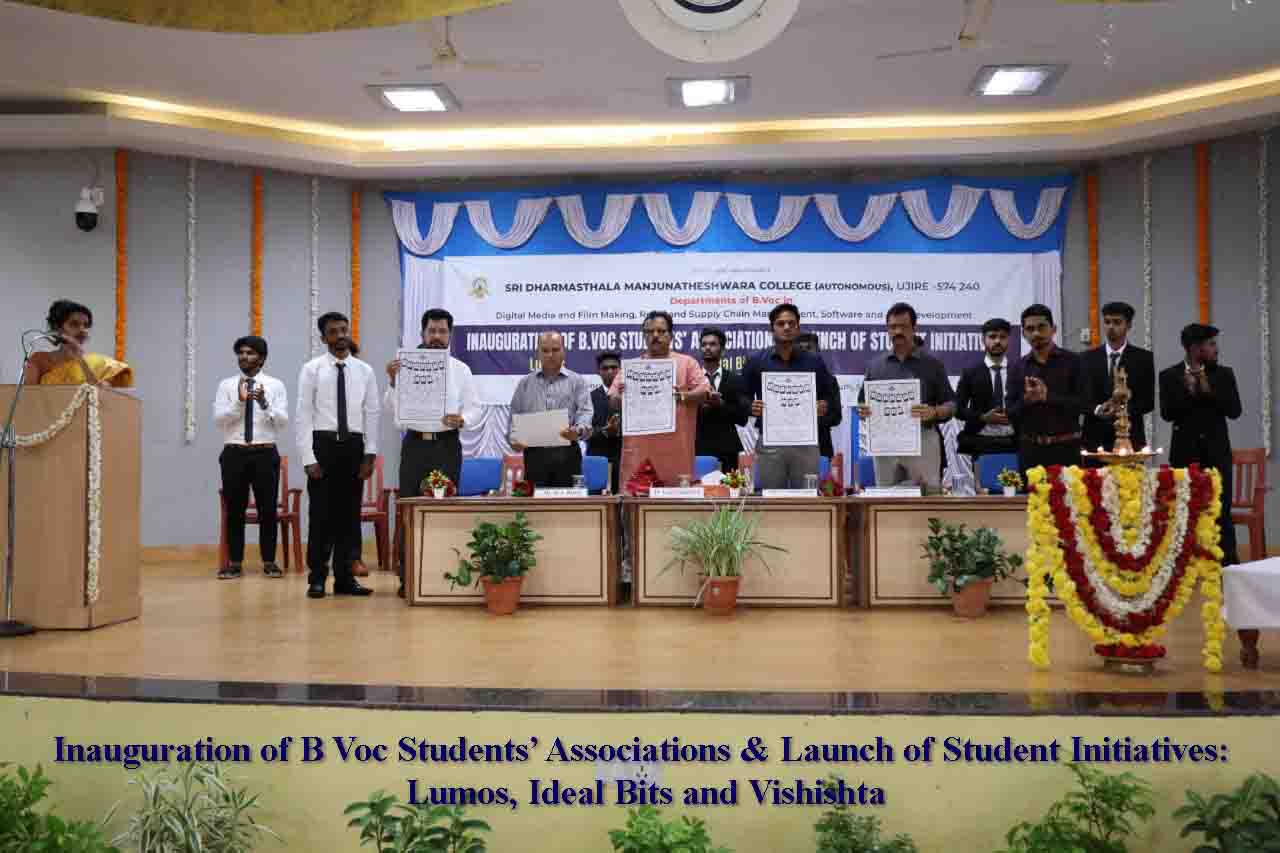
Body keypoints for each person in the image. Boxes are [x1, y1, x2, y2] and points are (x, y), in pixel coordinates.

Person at [386, 308, 482, 597]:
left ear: (450, 335)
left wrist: (463, 419)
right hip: (414, 445)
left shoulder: (461, 370)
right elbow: (393, 412)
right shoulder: (404, 366)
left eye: (442, 331)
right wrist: (392, 381)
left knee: (444, 510)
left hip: (446, 446)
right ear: (422, 334)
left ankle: (443, 574)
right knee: (409, 509)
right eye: (432, 331)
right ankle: (408, 577)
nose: (437, 336)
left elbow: (475, 409)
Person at [296, 312, 379, 600]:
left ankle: (345, 578)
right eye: (333, 331)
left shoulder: (365, 371)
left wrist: (370, 454)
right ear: (324, 338)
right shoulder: (312, 370)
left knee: (349, 516)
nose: (341, 335)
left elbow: (372, 413)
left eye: (344, 330)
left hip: (354, 448)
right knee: (321, 516)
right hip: (323, 446)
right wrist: (308, 457)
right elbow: (304, 414)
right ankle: (317, 578)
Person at [1160, 323, 1241, 567]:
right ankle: (1185, 568)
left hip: (1217, 454)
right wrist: (1188, 390)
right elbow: (1167, 414)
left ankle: (1229, 567)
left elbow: (1234, 411)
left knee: (1221, 512)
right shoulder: (1169, 375)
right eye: (1211, 344)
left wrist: (1208, 390)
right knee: (1185, 513)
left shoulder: (1224, 374)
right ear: (1195, 348)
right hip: (1185, 455)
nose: (1216, 349)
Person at [856, 303, 954, 492]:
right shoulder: (875, 366)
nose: (898, 332)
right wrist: (863, 410)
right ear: (887, 329)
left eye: (903, 326)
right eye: (893, 327)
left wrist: (935, 411)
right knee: (885, 501)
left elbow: (952, 404)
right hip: (885, 443)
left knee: (928, 499)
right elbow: (862, 402)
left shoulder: (933, 365)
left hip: (923, 440)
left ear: (914, 328)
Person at [212, 335, 288, 580]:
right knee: (235, 510)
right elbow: (219, 420)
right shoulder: (226, 385)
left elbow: (282, 423)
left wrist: (264, 404)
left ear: (262, 358)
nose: (244, 357)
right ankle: (235, 563)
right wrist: (240, 403)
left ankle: (269, 562)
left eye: (250, 353)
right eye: (241, 353)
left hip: (265, 453)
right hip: (234, 453)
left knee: (268, 510)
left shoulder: (275, 385)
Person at [742, 304, 839, 490]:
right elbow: (741, 395)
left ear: (798, 328)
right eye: (781, 323)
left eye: (791, 323)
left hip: (806, 441)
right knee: (771, 497)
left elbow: (829, 393)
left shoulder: (814, 361)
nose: (786, 327)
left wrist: (824, 405)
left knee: (807, 498)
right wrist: (750, 406)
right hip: (770, 441)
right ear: (772, 329)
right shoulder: (756, 361)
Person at [608, 310, 710, 486]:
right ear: (644, 336)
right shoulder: (631, 368)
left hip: (677, 456)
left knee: (676, 502)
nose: (655, 335)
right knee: (637, 502)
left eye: (661, 331)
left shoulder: (687, 363)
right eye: (649, 332)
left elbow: (705, 392)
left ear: (671, 335)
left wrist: (682, 396)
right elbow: (613, 400)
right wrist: (622, 397)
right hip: (639, 458)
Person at [1007, 304, 1086, 479]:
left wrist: (1047, 397)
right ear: (1023, 334)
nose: (1036, 333)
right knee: (1030, 497)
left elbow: (1084, 404)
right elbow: (1010, 412)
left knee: (1070, 496)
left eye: (1041, 327)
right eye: (1030, 329)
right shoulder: (1017, 367)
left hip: (1067, 450)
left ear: (1053, 329)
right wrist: (1027, 400)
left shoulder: (1074, 362)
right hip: (1030, 453)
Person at [508, 332, 594, 487]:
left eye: (555, 349)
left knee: (569, 500)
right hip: (534, 457)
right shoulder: (525, 384)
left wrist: (578, 430)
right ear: (538, 353)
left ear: (563, 351)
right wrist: (514, 439)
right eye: (545, 350)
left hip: (567, 455)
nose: (550, 355)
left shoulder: (577, 381)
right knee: (535, 501)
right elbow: (514, 417)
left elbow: (585, 413)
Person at [1082, 301, 1155, 459]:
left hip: (1130, 437)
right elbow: (1081, 398)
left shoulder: (1143, 358)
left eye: (1117, 322)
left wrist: (1121, 410)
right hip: (1095, 438)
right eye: (1107, 322)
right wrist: (1098, 409)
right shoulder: (1087, 358)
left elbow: (1148, 402)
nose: (1111, 327)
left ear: (1128, 326)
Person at [23, 299, 132, 387]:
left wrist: (81, 361)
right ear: (57, 328)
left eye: (86, 325)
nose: (82, 330)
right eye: (74, 324)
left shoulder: (99, 364)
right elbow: (28, 399)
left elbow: (101, 397)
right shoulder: (39, 360)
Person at [954, 318, 1018, 460]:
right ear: (983, 340)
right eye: (992, 337)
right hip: (981, 442)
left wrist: (1013, 415)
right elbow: (957, 409)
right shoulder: (970, 372)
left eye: (1002, 337)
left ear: (1009, 340)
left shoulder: (1019, 370)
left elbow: (1026, 405)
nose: (997, 341)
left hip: (1015, 442)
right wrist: (983, 417)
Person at [695, 327, 750, 475]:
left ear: (723, 350)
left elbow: (743, 418)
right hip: (697, 448)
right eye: (704, 344)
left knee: (729, 490)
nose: (707, 347)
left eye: (713, 344)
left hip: (728, 450)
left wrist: (721, 405)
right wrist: (700, 405)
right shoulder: (692, 380)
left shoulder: (736, 379)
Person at [793, 332, 843, 461]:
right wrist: (809, 411)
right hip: (791, 447)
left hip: (821, 447)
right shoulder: (785, 381)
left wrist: (812, 418)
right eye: (800, 348)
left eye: (809, 348)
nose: (804, 352)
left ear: (817, 351)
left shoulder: (829, 381)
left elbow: (836, 417)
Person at [587, 351, 623, 494]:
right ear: (599, 372)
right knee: (597, 505)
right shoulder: (589, 398)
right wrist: (605, 431)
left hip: (624, 461)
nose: (610, 371)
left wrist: (619, 431)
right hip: (597, 462)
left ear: (620, 370)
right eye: (605, 368)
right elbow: (584, 432)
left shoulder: (631, 395)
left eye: (614, 367)